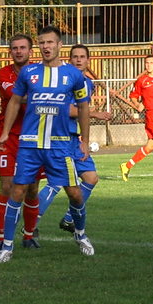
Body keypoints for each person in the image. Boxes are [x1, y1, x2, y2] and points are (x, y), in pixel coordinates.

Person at [0, 26, 92, 263]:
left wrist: (85, 140)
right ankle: (6, 246)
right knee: (16, 191)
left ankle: (80, 233)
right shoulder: (29, 72)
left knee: (75, 194)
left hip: (60, 145)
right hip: (30, 144)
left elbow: (83, 108)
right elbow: (15, 101)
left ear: (60, 45)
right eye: (42, 42)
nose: (46, 46)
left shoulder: (74, 75)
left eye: (50, 42)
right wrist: (6, 132)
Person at [35, 44, 112, 233]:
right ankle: (31, 225)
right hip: (59, 138)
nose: (78, 60)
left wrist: (84, 138)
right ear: (69, 60)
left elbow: (79, 112)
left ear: (88, 60)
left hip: (73, 139)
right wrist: (95, 114)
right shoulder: (66, 81)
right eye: (75, 56)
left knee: (91, 178)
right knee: (57, 181)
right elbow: (66, 109)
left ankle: (69, 219)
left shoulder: (88, 83)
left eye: (82, 56)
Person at [0, 34, 41, 250]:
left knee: (32, 188)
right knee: (7, 186)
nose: (19, 51)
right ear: (10, 52)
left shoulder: (41, 72)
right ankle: (2, 238)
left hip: (33, 136)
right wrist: (41, 94)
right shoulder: (4, 73)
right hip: (8, 135)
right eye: (15, 48)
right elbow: (16, 96)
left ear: (31, 51)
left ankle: (29, 235)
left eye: (23, 48)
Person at [119, 55, 153, 181]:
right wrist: (137, 104)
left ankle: (126, 166)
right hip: (152, 115)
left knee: (150, 146)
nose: (148, 65)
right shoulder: (142, 81)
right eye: (146, 63)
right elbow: (133, 95)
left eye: (151, 62)